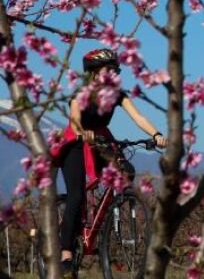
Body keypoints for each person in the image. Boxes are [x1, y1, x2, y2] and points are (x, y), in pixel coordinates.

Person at [54, 48, 167, 272]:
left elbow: (138, 117)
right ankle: (66, 253)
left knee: (126, 170)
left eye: (116, 70)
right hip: (76, 143)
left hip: (102, 139)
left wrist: (156, 134)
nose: (114, 74)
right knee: (76, 196)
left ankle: (109, 223)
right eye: (109, 69)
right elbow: (75, 118)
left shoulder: (118, 94)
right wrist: (81, 131)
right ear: (94, 73)